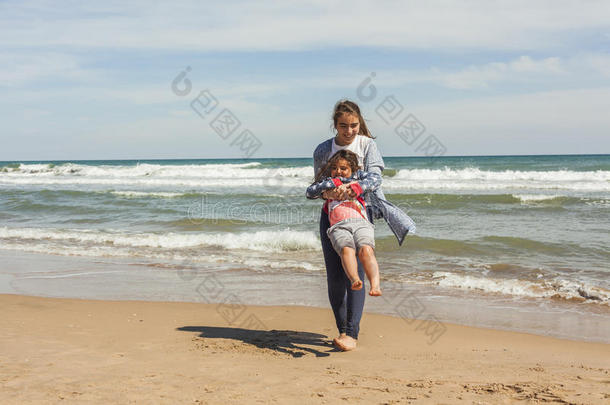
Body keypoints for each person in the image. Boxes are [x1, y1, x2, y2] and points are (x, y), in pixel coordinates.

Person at [308, 99, 416, 352]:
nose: (349, 131)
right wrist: (327, 195)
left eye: (354, 125)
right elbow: (318, 183)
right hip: (331, 216)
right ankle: (343, 330)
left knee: (353, 273)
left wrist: (353, 188)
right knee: (335, 277)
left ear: (360, 124)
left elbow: (376, 179)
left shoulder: (368, 145)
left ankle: (352, 334)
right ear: (335, 125)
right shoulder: (323, 149)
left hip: (359, 213)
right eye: (343, 126)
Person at [306, 150, 383, 296]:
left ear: (353, 169)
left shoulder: (358, 178)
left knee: (366, 250)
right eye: (334, 168)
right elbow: (310, 192)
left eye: (343, 168)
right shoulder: (329, 182)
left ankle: (375, 285)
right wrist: (330, 186)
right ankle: (355, 279)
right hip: (338, 226)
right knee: (346, 250)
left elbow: (376, 179)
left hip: (361, 222)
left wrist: (355, 186)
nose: (338, 171)